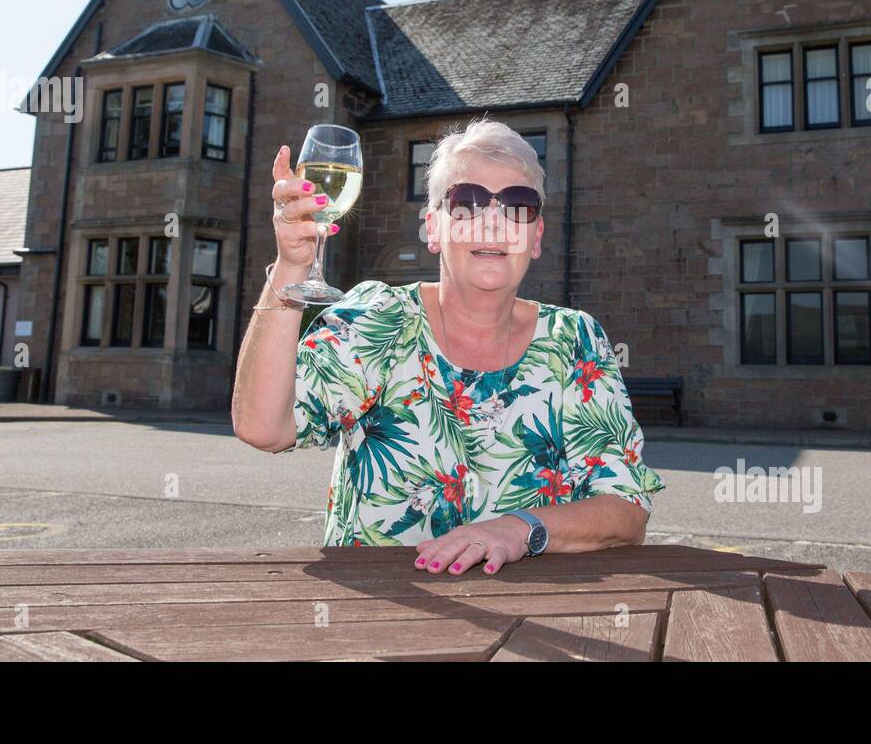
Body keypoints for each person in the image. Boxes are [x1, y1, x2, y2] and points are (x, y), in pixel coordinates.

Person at [232, 115, 665, 577]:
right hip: (381, 619)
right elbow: (264, 427)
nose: (494, 224)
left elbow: (626, 510)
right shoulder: (381, 321)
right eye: (468, 202)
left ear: (536, 237)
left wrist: (517, 530)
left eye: (518, 205)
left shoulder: (573, 342)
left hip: (536, 620)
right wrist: (290, 269)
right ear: (433, 229)